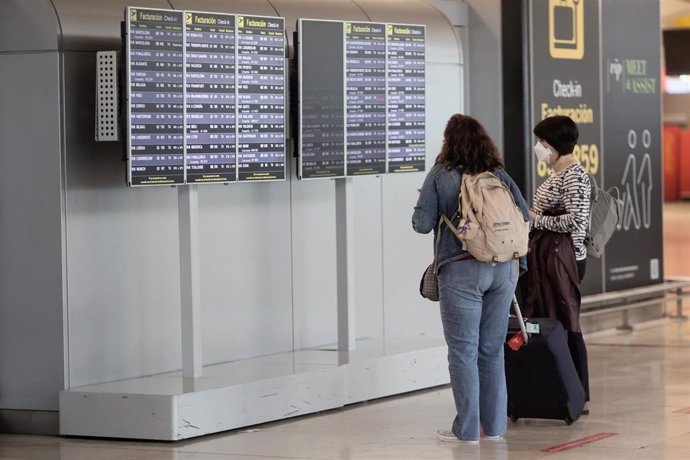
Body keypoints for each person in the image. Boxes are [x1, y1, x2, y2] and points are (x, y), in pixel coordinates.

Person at [412, 114, 530, 443]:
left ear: (449, 142)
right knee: (491, 351)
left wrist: (431, 202)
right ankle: (494, 429)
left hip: (462, 269)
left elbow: (421, 224)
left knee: (463, 352)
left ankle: (467, 431)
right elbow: (525, 218)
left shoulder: (441, 174)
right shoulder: (498, 175)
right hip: (504, 270)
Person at [528, 115, 591, 413]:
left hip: (566, 261)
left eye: (542, 142)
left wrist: (538, 219)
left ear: (554, 145)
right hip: (551, 259)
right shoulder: (557, 174)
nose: (538, 147)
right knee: (557, 323)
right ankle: (562, 388)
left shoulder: (574, 176)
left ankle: (578, 392)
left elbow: (576, 221)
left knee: (568, 324)